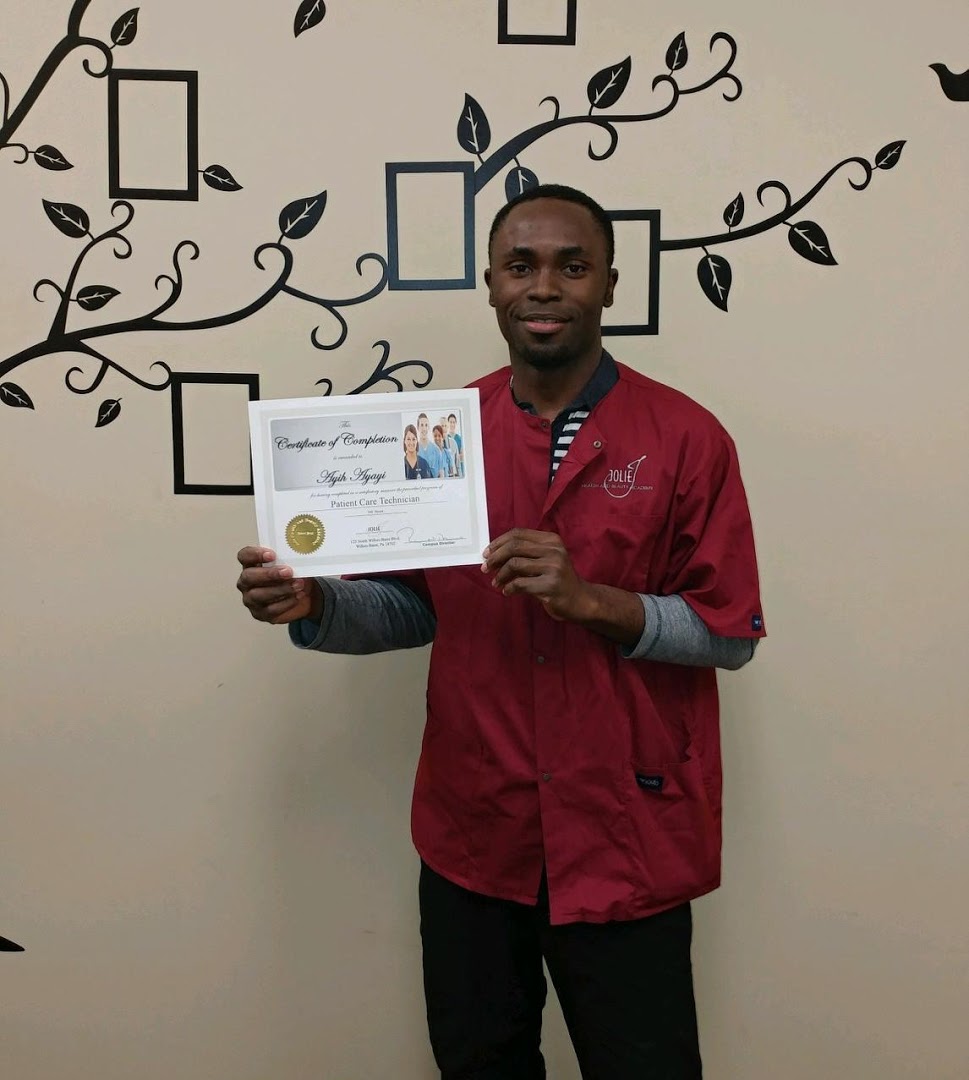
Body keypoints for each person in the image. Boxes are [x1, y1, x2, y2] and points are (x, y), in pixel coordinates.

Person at [237, 183, 766, 1079]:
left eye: (572, 266)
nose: (544, 287)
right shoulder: (435, 435)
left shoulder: (685, 439)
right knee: (479, 1064)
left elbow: (728, 635)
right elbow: (414, 605)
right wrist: (316, 604)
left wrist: (591, 600)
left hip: (624, 834)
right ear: (490, 283)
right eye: (521, 266)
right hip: (476, 833)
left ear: (609, 283)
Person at [446, 413, 464, 477]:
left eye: (453, 422)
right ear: (447, 423)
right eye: (450, 422)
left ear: (456, 423)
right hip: (449, 470)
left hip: (459, 468)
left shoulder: (460, 439)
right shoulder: (445, 438)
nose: (452, 424)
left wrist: (455, 457)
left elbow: (462, 456)